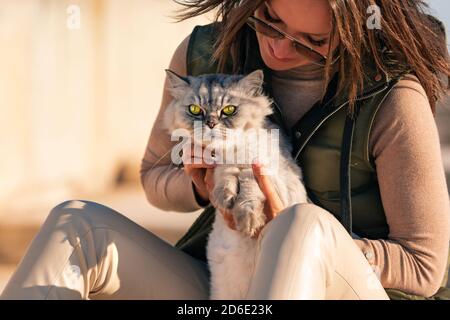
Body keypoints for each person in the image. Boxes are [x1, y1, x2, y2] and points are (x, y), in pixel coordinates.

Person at [2, 0, 450, 300]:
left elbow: (425, 267)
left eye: (312, 41)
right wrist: (198, 184)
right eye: (270, 21)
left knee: (299, 227)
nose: (277, 46)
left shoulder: (393, 98)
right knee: (77, 221)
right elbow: (153, 177)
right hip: (229, 284)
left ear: (354, 27)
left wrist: (310, 244)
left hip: (347, 289)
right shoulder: (202, 59)